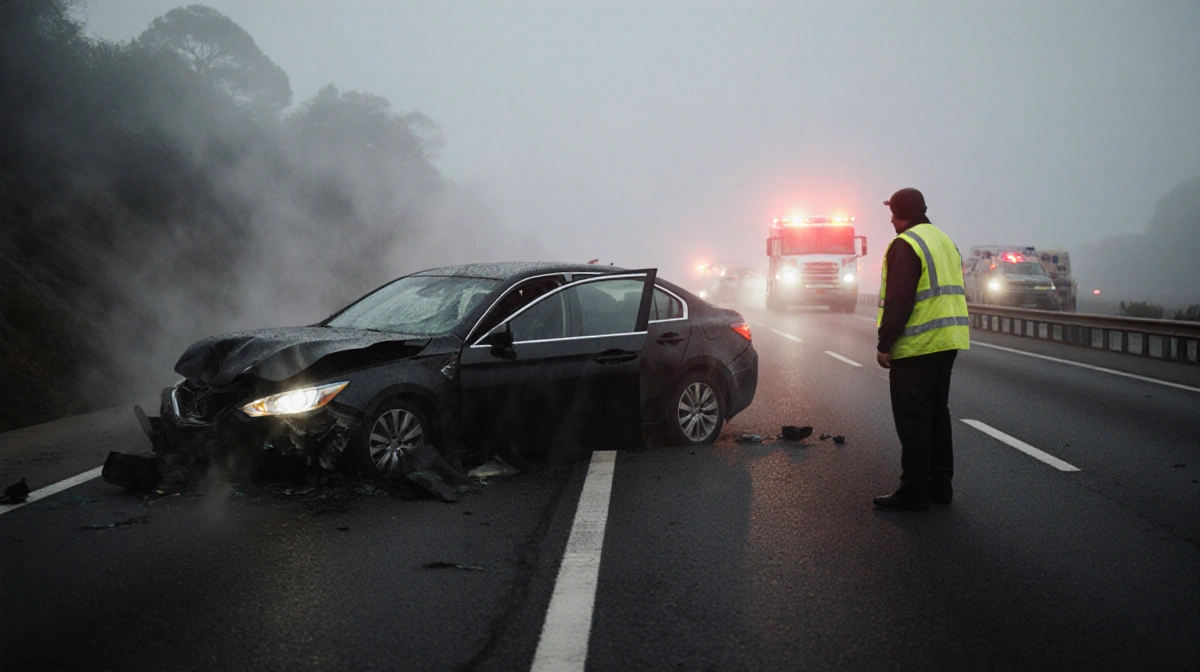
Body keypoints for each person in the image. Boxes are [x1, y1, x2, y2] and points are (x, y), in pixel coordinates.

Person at [873, 188, 970, 511]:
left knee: (914, 418)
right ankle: (941, 486)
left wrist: (885, 344)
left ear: (902, 212)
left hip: (918, 346)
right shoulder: (944, 241)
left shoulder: (906, 244)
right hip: (949, 341)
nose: (890, 218)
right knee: (937, 413)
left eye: (893, 212)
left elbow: (899, 301)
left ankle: (914, 491)